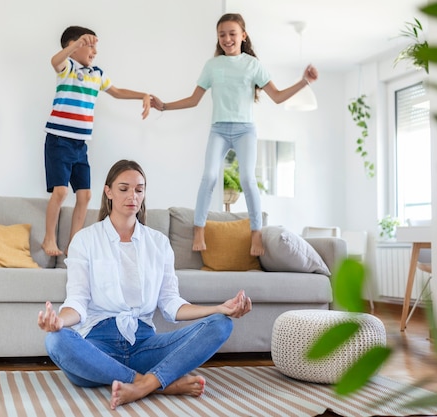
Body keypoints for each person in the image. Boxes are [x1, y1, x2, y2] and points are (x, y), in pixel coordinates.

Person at [37, 159, 252, 409]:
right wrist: (60, 322)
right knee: (55, 340)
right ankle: (157, 383)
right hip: (99, 347)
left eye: (139, 189)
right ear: (108, 192)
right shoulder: (85, 240)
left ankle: (142, 385)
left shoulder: (158, 243)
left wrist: (218, 309)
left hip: (145, 346)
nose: (133, 196)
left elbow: (171, 304)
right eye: (124, 188)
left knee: (221, 325)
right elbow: (77, 300)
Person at [150, 13, 318, 256]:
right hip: (219, 128)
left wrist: (304, 82)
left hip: (244, 130)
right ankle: (199, 229)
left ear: (243, 36)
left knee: (248, 179)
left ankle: (256, 235)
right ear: (218, 38)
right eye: (222, 35)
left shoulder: (253, 65)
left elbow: (278, 96)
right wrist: (164, 106)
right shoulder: (212, 66)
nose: (227, 39)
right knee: (209, 177)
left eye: (232, 33)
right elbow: (194, 100)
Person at [42, 26, 152, 256]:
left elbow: (118, 91)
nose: (94, 51)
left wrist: (143, 95)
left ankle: (74, 244)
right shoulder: (67, 68)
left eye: (95, 46)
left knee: (85, 195)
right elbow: (55, 60)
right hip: (59, 140)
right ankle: (49, 239)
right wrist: (76, 44)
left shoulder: (97, 74)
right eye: (89, 45)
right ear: (72, 48)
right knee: (61, 191)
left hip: (80, 144)